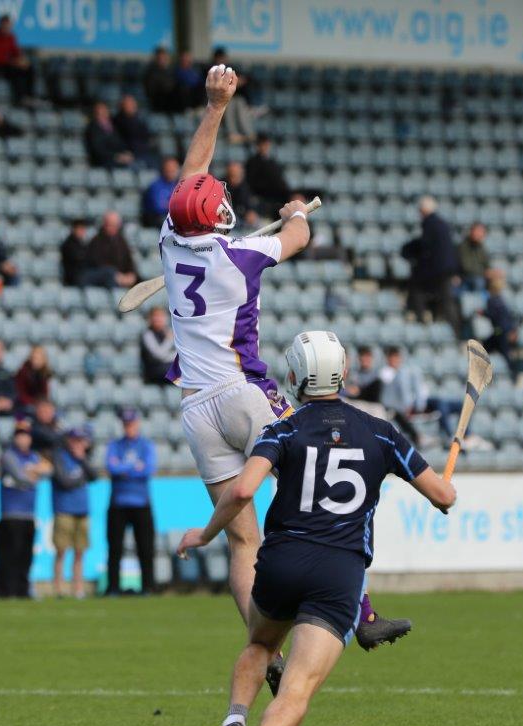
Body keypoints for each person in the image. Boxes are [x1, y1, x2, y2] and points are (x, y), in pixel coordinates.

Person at [161, 66, 407, 684]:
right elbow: (298, 235)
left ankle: (262, 650)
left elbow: (190, 175)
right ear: (217, 216)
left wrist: (215, 109)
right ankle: (362, 609)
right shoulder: (242, 255)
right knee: (324, 480)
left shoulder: (170, 240)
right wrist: (296, 209)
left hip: (194, 409)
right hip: (245, 394)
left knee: (243, 543)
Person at [178, 330, 456, 726]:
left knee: (261, 644)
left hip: (282, 562)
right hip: (339, 573)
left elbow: (242, 492)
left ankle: (233, 720)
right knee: (299, 686)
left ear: (292, 376)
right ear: (345, 374)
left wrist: (203, 535)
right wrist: (446, 483)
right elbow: (443, 497)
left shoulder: (283, 428)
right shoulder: (383, 432)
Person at [104, 408, 156, 595]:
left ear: (137, 423)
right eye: (126, 424)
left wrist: (124, 468)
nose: (129, 427)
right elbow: (111, 468)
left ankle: (148, 587)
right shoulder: (115, 445)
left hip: (141, 503)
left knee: (145, 548)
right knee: (114, 548)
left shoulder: (146, 445)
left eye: (131, 423)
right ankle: (113, 587)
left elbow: (148, 469)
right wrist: (133, 467)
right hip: (118, 503)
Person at [0, 424, 51, 598]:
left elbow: (49, 469)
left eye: (26, 436)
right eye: (20, 435)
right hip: (11, 513)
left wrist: (31, 471)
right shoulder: (9, 456)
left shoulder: (33, 456)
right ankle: (7, 590)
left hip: (29, 514)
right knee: (10, 555)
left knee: (25, 555)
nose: (23, 439)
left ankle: (22, 589)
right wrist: (35, 473)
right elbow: (21, 477)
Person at [401, 196, 461, 336]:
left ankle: (422, 323)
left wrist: (410, 251)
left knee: (417, 290)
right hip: (445, 269)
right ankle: (455, 330)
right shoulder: (442, 224)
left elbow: (426, 246)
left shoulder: (429, 223)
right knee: (447, 301)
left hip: (436, 270)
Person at [379, 345, 463, 443]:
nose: (396, 360)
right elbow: (396, 394)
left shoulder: (406, 370)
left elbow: (419, 388)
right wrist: (409, 405)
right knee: (441, 406)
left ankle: (464, 436)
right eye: (393, 357)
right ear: (388, 359)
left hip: (421, 401)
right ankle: (449, 435)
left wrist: (420, 402)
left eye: (397, 357)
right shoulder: (385, 373)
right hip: (408, 405)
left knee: (454, 405)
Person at [50, 427, 95, 599]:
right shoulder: (60, 457)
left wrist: (82, 460)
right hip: (64, 509)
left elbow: (94, 476)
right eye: (75, 440)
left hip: (82, 509)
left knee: (79, 551)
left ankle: (78, 588)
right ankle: (59, 588)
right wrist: (79, 477)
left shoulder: (82, 459)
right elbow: (64, 481)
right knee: (61, 550)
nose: (78, 444)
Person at [0, 14, 34, 105]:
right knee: (15, 72)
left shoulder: (11, 37)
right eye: (4, 24)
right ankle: (19, 98)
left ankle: (29, 96)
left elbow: (16, 53)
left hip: (9, 64)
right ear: (0, 24)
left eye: (8, 25)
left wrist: (22, 61)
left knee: (29, 68)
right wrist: (13, 62)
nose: (6, 27)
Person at [481, 270, 519, 376]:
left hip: (500, 331)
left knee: (503, 352)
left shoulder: (493, 300)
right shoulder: (500, 300)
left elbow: (494, 315)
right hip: (502, 331)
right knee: (489, 349)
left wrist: (483, 313)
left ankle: (514, 374)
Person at [86, 211, 137, 288]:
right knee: (110, 275)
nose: (112, 228)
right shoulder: (96, 241)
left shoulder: (121, 241)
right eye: (109, 225)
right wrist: (117, 276)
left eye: (115, 225)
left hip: (122, 277)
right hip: (105, 279)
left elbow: (128, 261)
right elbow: (98, 264)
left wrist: (130, 275)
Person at [245, 135, 292, 212]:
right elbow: (251, 182)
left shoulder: (273, 162)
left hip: (277, 196)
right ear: (258, 146)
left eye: (267, 144)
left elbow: (279, 179)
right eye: (263, 144)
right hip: (262, 196)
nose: (265, 147)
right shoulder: (252, 162)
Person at [61, 219, 113, 287]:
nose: (82, 231)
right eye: (80, 229)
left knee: (108, 271)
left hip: (83, 274)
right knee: (108, 272)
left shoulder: (81, 243)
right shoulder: (68, 244)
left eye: (83, 229)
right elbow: (80, 259)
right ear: (74, 229)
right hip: (75, 277)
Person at [84, 101, 133, 169]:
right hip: (103, 161)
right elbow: (98, 149)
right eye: (100, 111)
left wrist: (126, 153)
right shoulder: (93, 128)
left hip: (118, 159)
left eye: (104, 110)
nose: (103, 113)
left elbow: (120, 143)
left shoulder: (114, 126)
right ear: (95, 113)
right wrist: (116, 156)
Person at [113, 94, 154, 167]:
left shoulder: (140, 120)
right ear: (122, 106)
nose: (132, 106)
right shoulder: (117, 121)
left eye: (133, 103)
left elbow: (147, 136)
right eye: (129, 104)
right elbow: (118, 140)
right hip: (127, 153)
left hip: (143, 152)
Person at [139, 306, 175, 385]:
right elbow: (158, 355)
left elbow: (179, 354)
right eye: (156, 316)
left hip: (168, 371)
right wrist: (169, 340)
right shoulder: (147, 334)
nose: (158, 319)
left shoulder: (168, 331)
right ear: (150, 319)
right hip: (154, 374)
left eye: (161, 316)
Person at [140, 157, 179, 228]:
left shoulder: (178, 184)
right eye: (169, 169)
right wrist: (176, 205)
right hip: (156, 219)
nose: (171, 171)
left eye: (174, 169)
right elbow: (159, 207)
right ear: (163, 169)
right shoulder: (156, 186)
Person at [456, 221, 492, 290]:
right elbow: (466, 267)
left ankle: (494, 300)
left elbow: (487, 264)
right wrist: (484, 273)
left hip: (479, 276)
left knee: (497, 282)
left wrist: (492, 272)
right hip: (465, 277)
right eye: (477, 231)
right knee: (478, 281)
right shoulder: (463, 247)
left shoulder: (481, 248)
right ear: (471, 231)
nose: (479, 234)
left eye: (482, 232)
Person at [14, 344, 52, 408]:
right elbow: (20, 393)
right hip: (23, 405)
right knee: (21, 415)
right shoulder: (23, 372)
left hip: (40, 404)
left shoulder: (45, 373)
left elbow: (45, 394)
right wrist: (34, 402)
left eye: (38, 358)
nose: (36, 360)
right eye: (34, 357)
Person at [142, 46, 178, 114]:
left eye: (164, 57)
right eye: (160, 58)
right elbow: (150, 91)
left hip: (171, 101)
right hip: (158, 103)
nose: (162, 60)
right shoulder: (151, 73)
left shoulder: (171, 72)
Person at [224, 161, 259, 228]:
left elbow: (249, 202)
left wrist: (251, 211)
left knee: (258, 223)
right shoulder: (222, 185)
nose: (235, 176)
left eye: (237, 173)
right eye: (232, 174)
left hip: (244, 217)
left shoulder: (245, 185)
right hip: (230, 217)